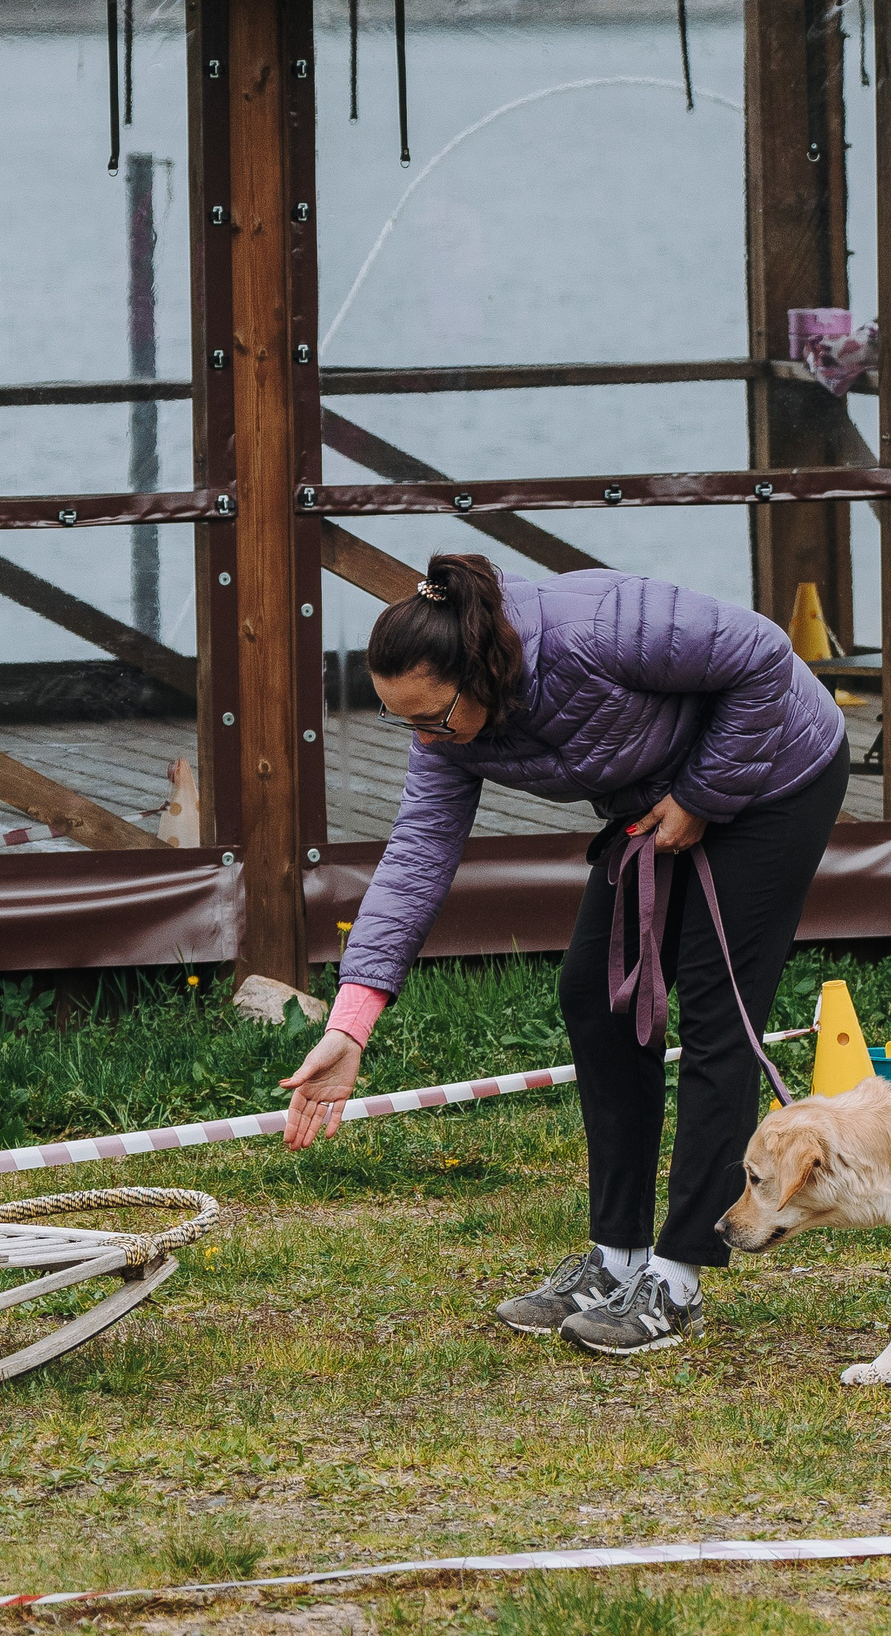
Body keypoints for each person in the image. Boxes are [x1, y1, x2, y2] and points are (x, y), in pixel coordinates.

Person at [281, 554, 849, 1355]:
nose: (423, 738)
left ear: (480, 672)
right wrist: (352, 1022)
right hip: (656, 801)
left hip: (774, 776)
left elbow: (762, 654)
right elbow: (417, 852)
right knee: (594, 994)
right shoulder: (444, 729)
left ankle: (678, 1277)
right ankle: (617, 1257)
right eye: (399, 720)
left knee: (717, 1010)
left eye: (432, 719)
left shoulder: (596, 628)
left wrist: (700, 798)